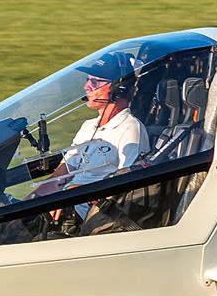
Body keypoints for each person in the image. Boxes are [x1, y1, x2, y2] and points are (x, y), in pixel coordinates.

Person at [31, 50, 150, 233]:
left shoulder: (130, 128)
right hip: (66, 208)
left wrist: (76, 193)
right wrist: (26, 204)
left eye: (95, 82)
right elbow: (60, 176)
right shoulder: (87, 126)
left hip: (94, 218)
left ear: (119, 88)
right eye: (87, 80)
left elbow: (126, 189)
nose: (87, 87)